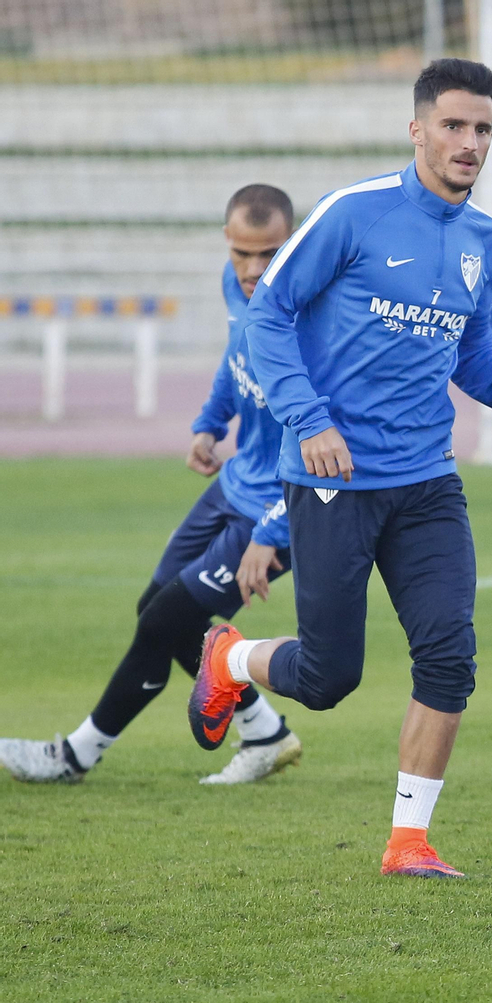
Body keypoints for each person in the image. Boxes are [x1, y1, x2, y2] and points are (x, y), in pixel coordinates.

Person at [185, 59, 492, 879]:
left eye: (482, 130)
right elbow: (267, 317)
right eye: (454, 126)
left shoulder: (483, 239)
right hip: (332, 480)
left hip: (427, 481)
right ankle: (228, 657)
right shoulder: (352, 213)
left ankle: (409, 842)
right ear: (418, 128)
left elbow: (474, 357)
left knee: (449, 653)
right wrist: (311, 420)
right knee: (328, 678)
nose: (470, 143)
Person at [0, 185, 300, 786]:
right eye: (243, 252)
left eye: (269, 254)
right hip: (234, 483)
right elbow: (235, 358)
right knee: (156, 612)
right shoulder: (233, 286)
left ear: (292, 245)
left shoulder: (309, 314)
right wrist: (211, 422)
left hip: (277, 507)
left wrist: (274, 529)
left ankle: (75, 756)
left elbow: (318, 434)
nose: (253, 269)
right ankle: (265, 732)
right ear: (227, 242)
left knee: (168, 621)